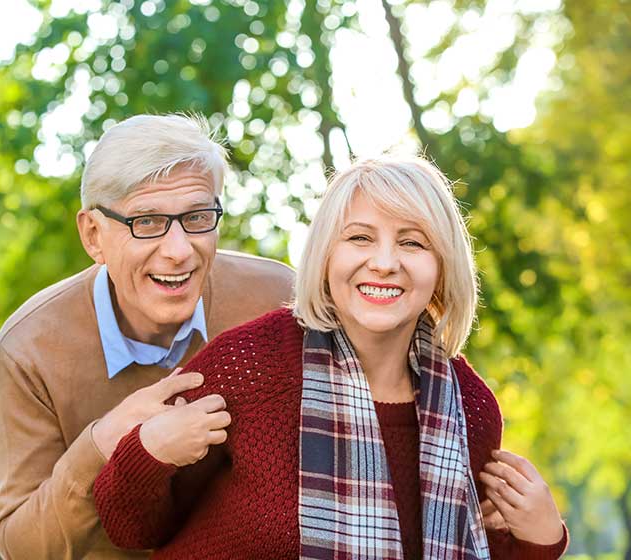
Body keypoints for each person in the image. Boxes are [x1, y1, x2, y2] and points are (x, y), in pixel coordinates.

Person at [92, 156, 569, 559]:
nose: (384, 262)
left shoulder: (471, 409)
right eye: (360, 238)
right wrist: (149, 452)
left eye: (412, 242)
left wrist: (542, 538)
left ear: (442, 268)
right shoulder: (250, 365)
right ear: (325, 255)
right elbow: (133, 529)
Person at [0, 114, 295, 559]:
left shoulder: (277, 298)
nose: (178, 250)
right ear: (93, 235)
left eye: (197, 216)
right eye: (146, 222)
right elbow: (22, 547)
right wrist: (106, 439)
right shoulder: (29, 349)